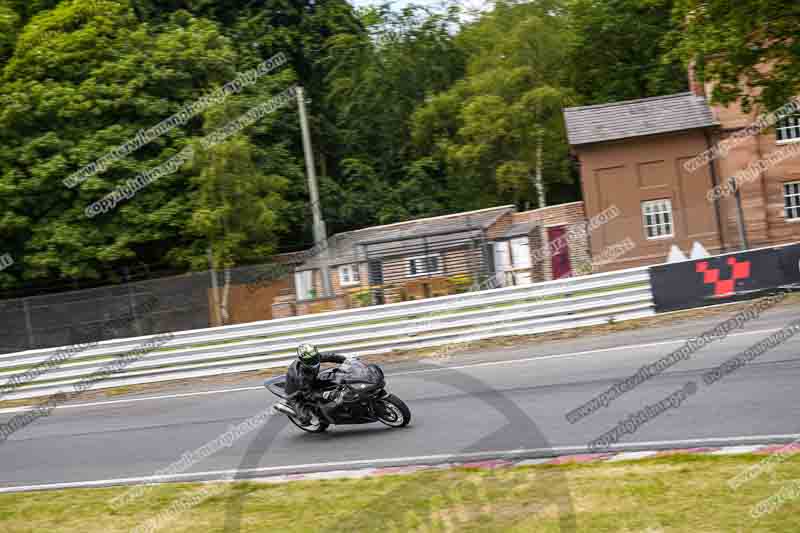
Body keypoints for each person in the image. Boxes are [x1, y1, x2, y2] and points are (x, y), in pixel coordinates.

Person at [283, 343, 348, 424]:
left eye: (315, 358)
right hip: (295, 393)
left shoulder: (314, 357)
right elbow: (308, 395)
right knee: (305, 419)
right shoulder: (301, 376)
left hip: (311, 381)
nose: (314, 361)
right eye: (310, 360)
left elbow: (331, 356)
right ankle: (290, 406)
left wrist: (346, 359)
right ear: (302, 360)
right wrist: (325, 394)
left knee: (335, 381)